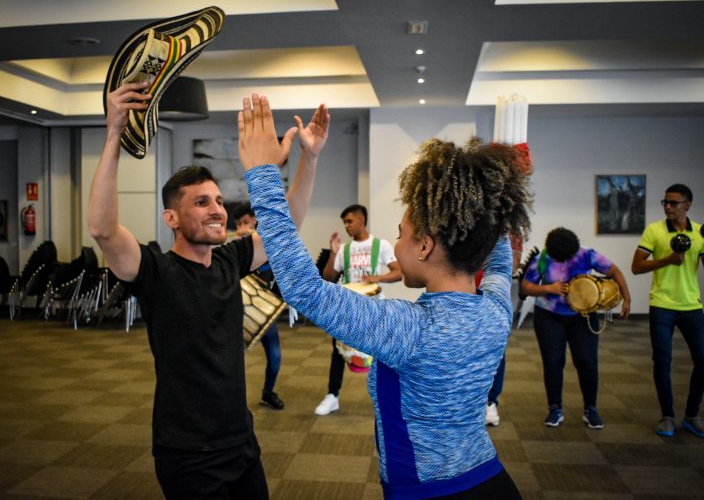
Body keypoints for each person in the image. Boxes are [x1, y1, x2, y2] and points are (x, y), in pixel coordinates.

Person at [239, 93, 529, 499]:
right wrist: (496, 194)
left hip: (427, 493)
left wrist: (263, 174)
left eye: (402, 234)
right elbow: (499, 262)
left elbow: (305, 289)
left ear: (425, 246)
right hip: (493, 481)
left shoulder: (411, 330)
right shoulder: (497, 307)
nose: (396, 244)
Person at [88, 82, 329, 499]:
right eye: (201, 203)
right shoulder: (155, 271)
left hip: (240, 440)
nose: (218, 209)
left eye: (218, 200)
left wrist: (309, 157)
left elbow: (285, 223)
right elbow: (103, 229)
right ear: (172, 218)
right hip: (188, 453)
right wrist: (113, 134)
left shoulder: (229, 261)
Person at [520, 227, 631, 430]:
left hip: (583, 316)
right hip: (549, 317)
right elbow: (525, 287)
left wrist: (627, 298)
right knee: (553, 362)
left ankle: (591, 409)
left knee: (587, 362)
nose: (562, 262)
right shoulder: (544, 258)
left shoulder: (586, 255)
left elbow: (615, 271)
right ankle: (555, 408)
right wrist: (548, 288)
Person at [631, 183, 704, 438]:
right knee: (662, 362)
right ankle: (667, 416)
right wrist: (668, 260)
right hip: (662, 305)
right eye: (665, 202)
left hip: (692, 306)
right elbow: (637, 267)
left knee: (702, 360)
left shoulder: (699, 232)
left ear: (687, 205)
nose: (669, 207)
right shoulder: (654, 231)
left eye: (674, 203)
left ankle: (692, 415)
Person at [315, 204, 402, 415]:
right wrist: (333, 254)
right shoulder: (344, 249)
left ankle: (386, 397)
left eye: (349, 221)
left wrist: (377, 278)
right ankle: (332, 396)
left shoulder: (381, 245)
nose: (346, 226)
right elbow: (328, 277)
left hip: (374, 309)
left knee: (381, 352)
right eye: (344, 222)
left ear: (362, 220)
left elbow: (398, 272)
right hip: (347, 308)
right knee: (337, 351)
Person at [233, 202, 285, 410]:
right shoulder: (232, 249)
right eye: (238, 224)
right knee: (233, 362)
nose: (242, 228)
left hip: (261, 312)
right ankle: (233, 401)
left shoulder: (266, 246)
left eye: (246, 222)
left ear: (255, 222)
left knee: (275, 355)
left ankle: (268, 392)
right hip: (235, 315)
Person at [484, 231, 524, 427]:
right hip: (463, 295)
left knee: (497, 355)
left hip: (493, 300)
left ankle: (491, 402)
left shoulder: (508, 232)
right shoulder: (462, 222)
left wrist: (515, 246)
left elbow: (512, 268)